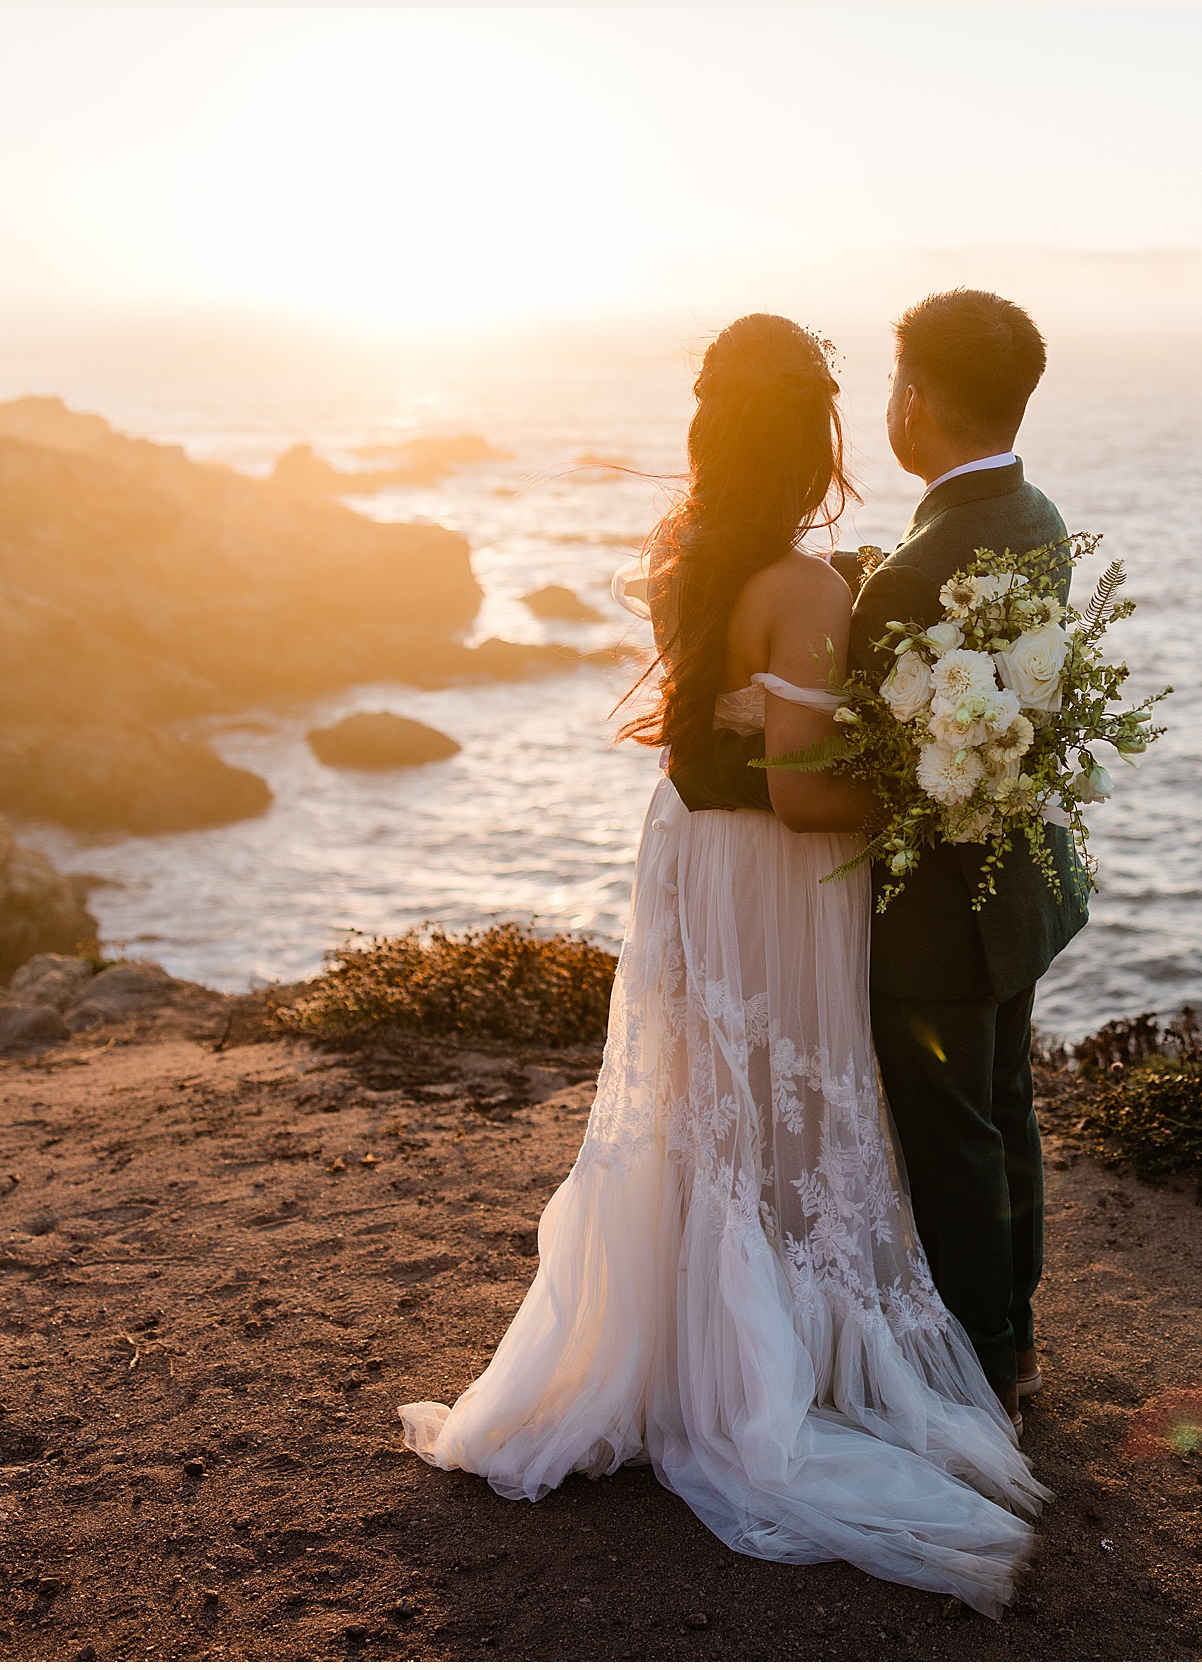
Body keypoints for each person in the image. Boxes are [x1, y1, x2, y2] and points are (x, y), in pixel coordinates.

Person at [398, 313, 1047, 1617]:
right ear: (810, 438)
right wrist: (945, 784)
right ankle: (769, 1372)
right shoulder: (805, 589)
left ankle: (672, 1347)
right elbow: (811, 803)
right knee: (785, 1104)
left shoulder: (685, 554)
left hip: (692, 854)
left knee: (706, 1102)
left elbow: (704, 740)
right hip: (773, 874)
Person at [846, 289, 1088, 1418]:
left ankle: (984, 1355)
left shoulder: (910, 575)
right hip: (1019, 880)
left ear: (913, 400)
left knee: (951, 1134)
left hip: (943, 907)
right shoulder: (1033, 513)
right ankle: (1016, 1334)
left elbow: (862, 758)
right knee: (1003, 1107)